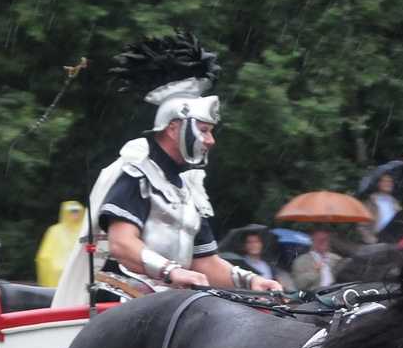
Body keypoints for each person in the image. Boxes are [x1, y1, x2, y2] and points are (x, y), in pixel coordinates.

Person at [51, 32, 282, 306]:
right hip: (122, 301)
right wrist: (172, 271)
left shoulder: (189, 190)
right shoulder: (137, 174)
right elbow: (121, 243)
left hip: (167, 304)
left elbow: (206, 263)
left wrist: (251, 281)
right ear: (173, 128)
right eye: (204, 130)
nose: (210, 140)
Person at [35, 201, 86, 288]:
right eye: (72, 211)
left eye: (77, 211)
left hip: (80, 271)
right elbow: (45, 256)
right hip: (59, 273)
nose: (75, 214)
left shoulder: (84, 231)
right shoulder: (55, 231)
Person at [290, 227, 343, 291]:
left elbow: (345, 279)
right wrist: (313, 273)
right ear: (312, 242)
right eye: (319, 240)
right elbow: (298, 285)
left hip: (336, 294)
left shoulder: (337, 259)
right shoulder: (302, 261)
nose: (322, 242)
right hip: (315, 295)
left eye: (325, 239)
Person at [367, 173, 399, 237]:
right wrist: (371, 240)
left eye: (390, 181)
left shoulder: (397, 203)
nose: (388, 183)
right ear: (378, 184)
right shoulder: (369, 201)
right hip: (373, 239)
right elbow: (362, 225)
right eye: (384, 181)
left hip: (392, 240)